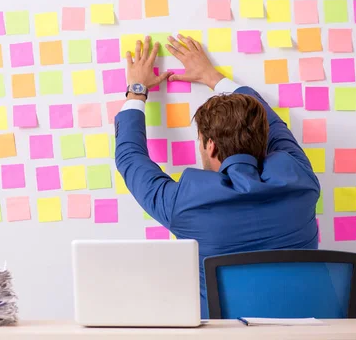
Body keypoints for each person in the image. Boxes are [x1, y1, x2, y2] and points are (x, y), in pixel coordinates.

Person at [114, 35, 320, 318]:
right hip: (305, 332)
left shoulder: (183, 202)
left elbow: (130, 157)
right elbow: (273, 120)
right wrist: (213, 76)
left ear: (209, 145)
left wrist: (136, 91)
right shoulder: (300, 176)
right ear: (264, 138)